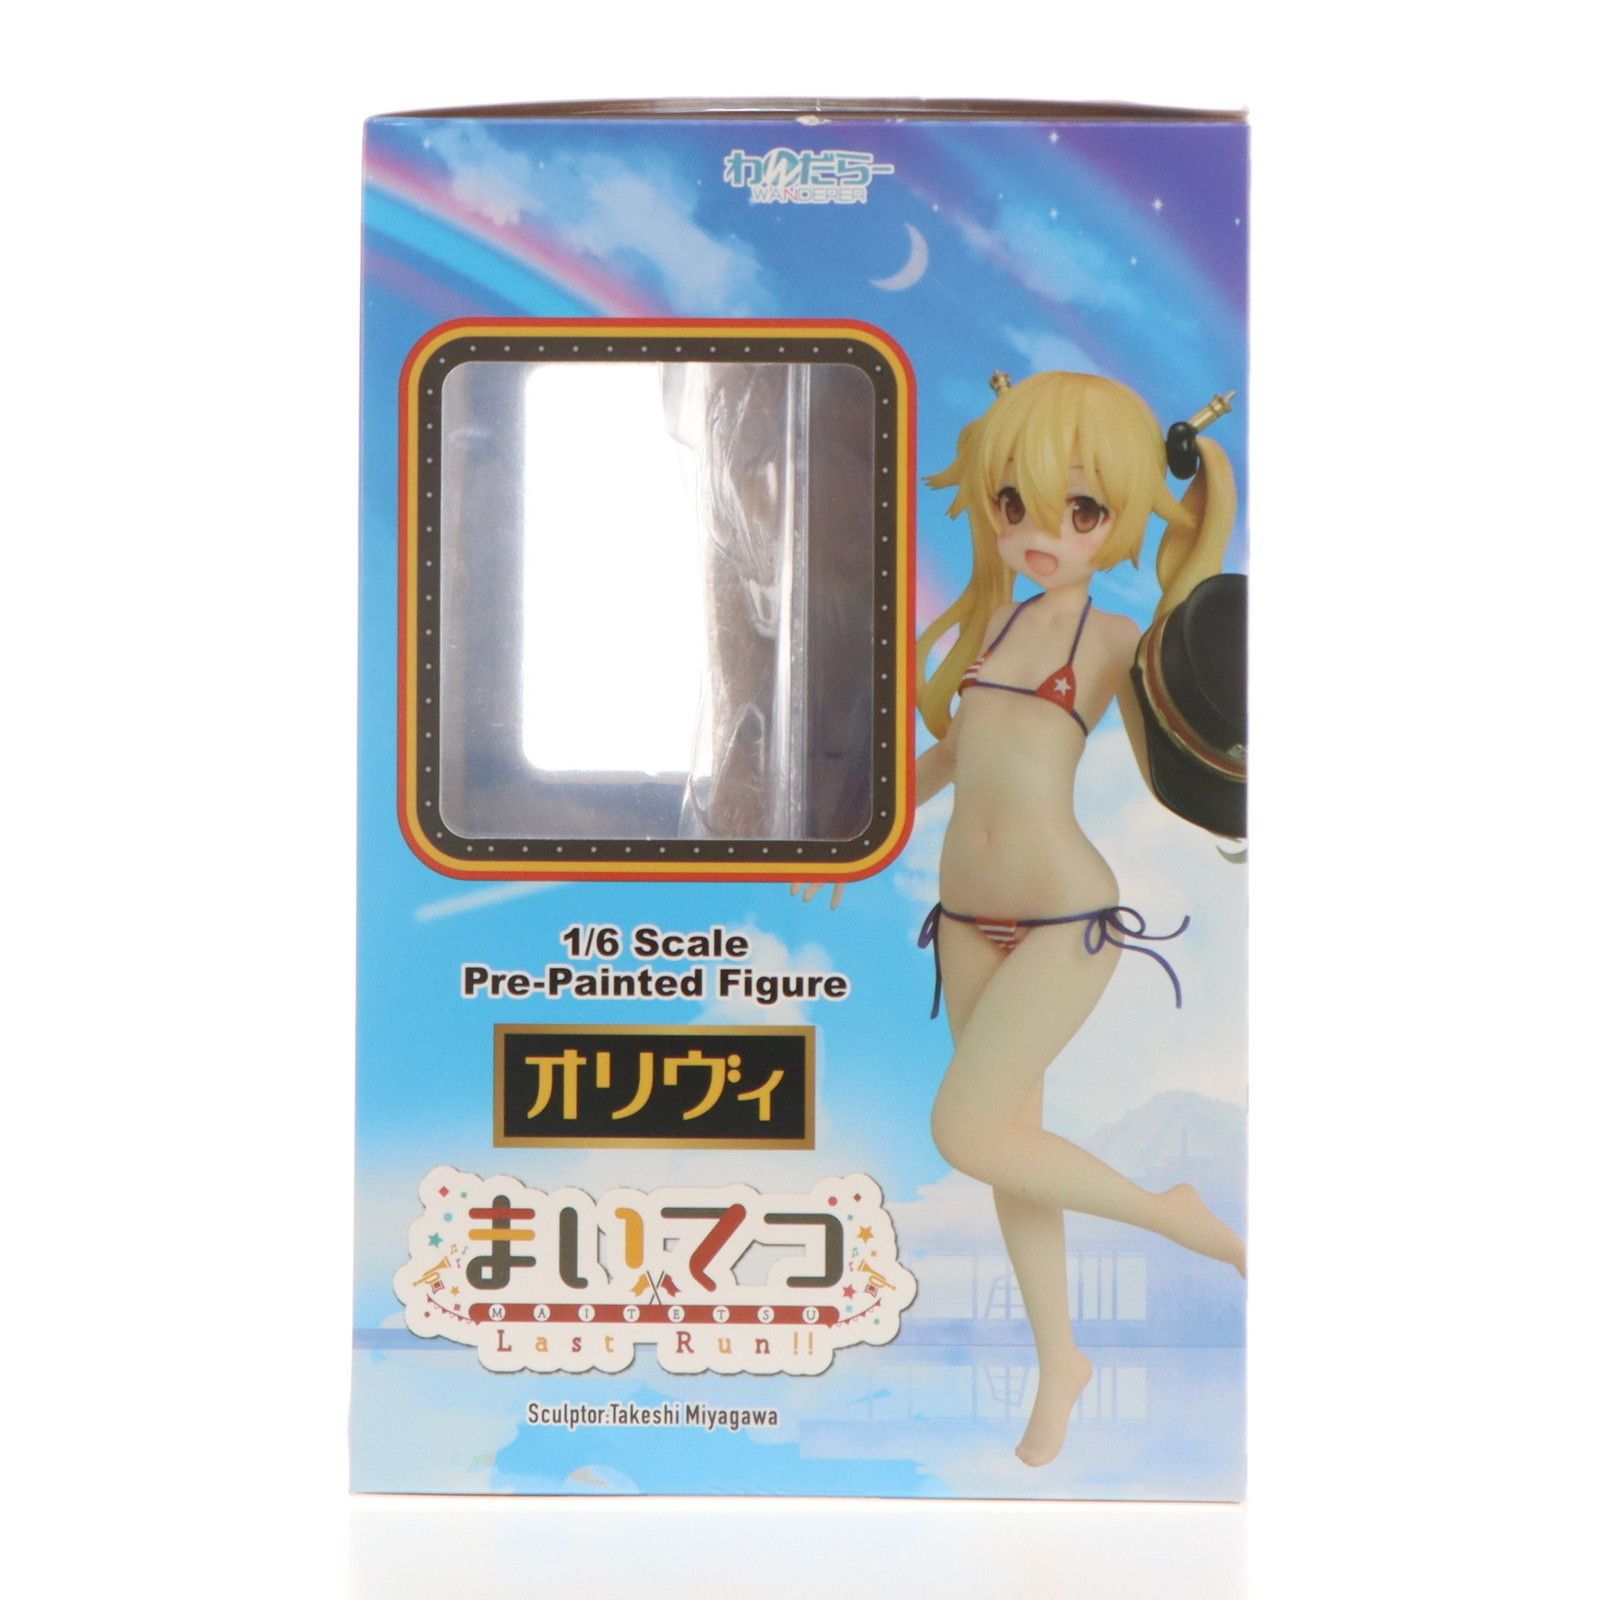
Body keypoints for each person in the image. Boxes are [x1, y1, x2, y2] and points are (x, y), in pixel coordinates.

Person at [814, 369, 1246, 1467]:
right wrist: (855, 836)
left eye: (1082, 509)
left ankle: (1172, 1210)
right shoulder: (995, 625)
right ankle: (1063, 1360)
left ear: (1123, 516)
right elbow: (955, 758)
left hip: (1063, 916)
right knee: (1011, 1150)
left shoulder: (1112, 639)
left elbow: (1175, 754)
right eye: (1016, 504)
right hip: (965, 918)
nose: (1040, 531)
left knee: (964, 1131)